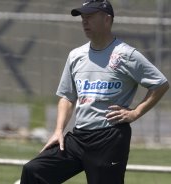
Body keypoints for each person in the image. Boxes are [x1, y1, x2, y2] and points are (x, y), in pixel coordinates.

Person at [20, 0, 169, 184]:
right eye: (83, 17)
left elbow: (160, 84)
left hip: (110, 138)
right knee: (33, 171)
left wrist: (136, 112)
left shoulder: (127, 55)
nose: (84, 21)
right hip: (78, 138)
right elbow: (67, 96)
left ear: (107, 19)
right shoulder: (76, 55)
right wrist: (58, 130)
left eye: (89, 17)